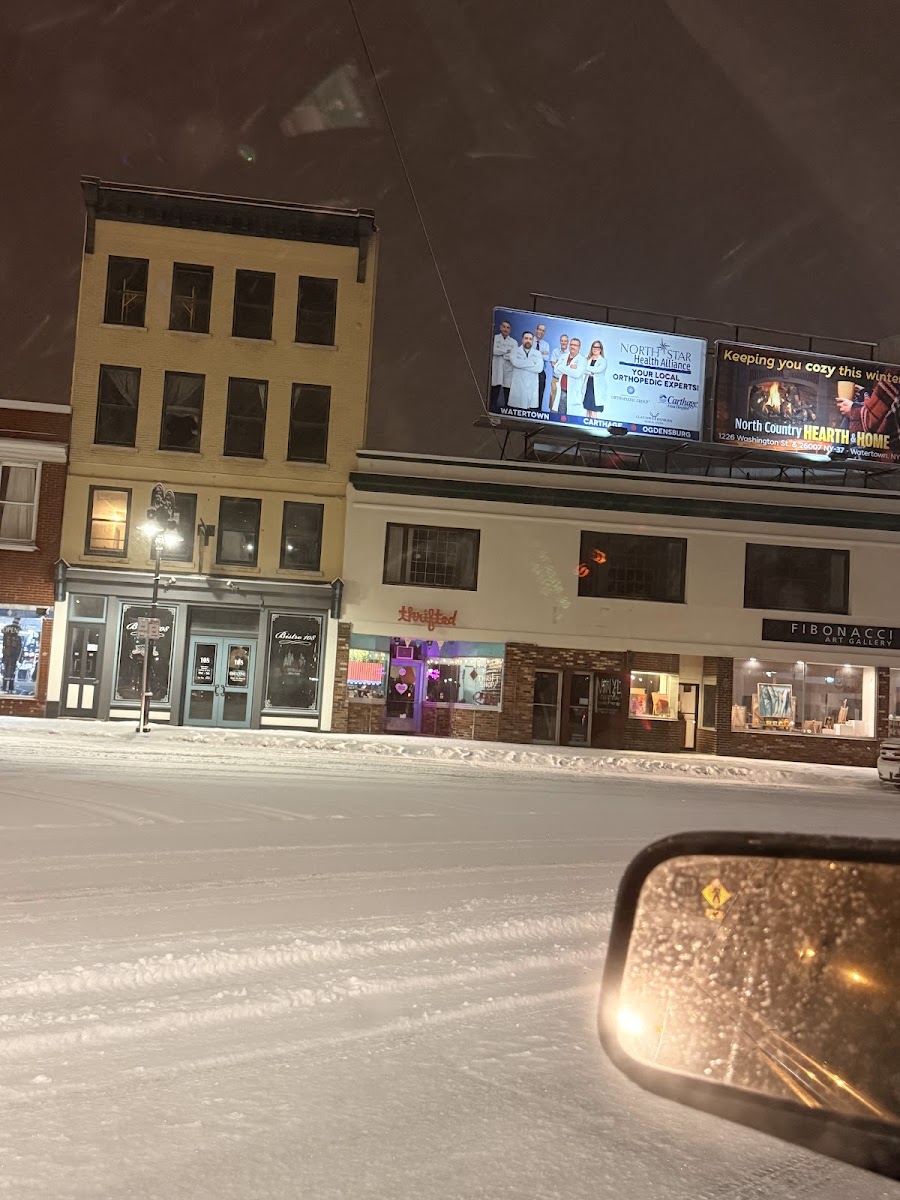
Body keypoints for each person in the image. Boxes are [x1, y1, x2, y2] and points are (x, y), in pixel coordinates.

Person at [836, 379, 900, 455]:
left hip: (887, 454)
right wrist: (864, 392)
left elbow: (871, 421)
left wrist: (852, 408)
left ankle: (836, 451)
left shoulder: (892, 380)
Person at [508, 331, 544, 409]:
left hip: (531, 386)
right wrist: (532, 363)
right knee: (516, 410)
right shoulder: (515, 351)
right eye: (526, 338)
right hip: (518, 387)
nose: (528, 341)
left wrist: (521, 364)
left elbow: (539, 368)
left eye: (530, 339)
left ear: (533, 341)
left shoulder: (537, 353)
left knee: (530, 410)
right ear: (522, 340)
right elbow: (515, 363)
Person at [556, 337, 587, 416]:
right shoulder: (563, 357)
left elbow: (577, 374)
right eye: (571, 344)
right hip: (562, 391)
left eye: (575, 345)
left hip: (573, 393)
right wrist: (570, 368)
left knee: (571, 417)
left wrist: (562, 368)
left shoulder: (582, 360)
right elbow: (556, 369)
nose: (572, 347)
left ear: (579, 347)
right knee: (560, 416)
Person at [490, 319, 517, 409]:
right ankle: (492, 408)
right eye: (504, 327)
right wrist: (506, 351)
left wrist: (501, 352)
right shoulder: (495, 338)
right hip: (497, 368)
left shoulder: (514, 342)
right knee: (495, 389)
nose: (505, 329)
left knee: (507, 392)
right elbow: (493, 351)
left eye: (508, 328)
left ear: (510, 330)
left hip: (508, 370)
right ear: (500, 328)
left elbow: (513, 356)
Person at [583, 339, 607, 415]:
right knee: (588, 409)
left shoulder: (603, 361)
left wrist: (587, 369)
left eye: (597, 347)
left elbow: (598, 370)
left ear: (600, 349)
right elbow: (583, 369)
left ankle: (593, 422)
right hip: (588, 385)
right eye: (594, 347)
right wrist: (590, 372)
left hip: (596, 387)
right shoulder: (588, 359)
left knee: (594, 410)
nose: (595, 349)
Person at [2, 616, 23, 695]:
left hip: (11, 657)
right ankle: (6, 687)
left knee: (10, 672)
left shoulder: (13, 637)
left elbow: (19, 649)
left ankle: (8, 687)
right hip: (9, 657)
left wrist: (19, 658)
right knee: (7, 672)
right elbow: (4, 646)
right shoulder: (8, 637)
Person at [549, 334, 570, 412]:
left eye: (565, 341)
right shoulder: (555, 351)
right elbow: (553, 364)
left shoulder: (570, 353)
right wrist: (565, 368)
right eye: (562, 341)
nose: (563, 342)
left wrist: (558, 365)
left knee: (563, 402)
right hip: (556, 379)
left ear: (568, 342)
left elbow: (570, 369)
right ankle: (552, 417)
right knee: (553, 401)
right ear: (560, 342)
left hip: (565, 381)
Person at [532, 323, 551, 409]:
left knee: (539, 396)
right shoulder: (530, 340)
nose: (541, 332)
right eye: (540, 330)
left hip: (541, 373)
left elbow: (546, 358)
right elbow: (528, 356)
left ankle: (537, 413)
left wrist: (534, 354)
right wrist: (541, 353)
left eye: (543, 331)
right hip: (530, 372)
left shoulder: (546, 344)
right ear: (536, 330)